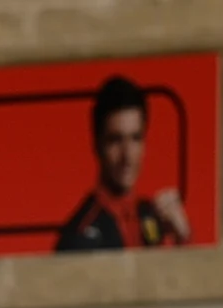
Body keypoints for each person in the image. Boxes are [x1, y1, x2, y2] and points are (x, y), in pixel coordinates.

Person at [52, 74, 189, 252]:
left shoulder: (151, 216)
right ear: (97, 144)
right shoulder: (80, 234)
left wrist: (184, 238)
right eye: (115, 140)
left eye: (135, 138)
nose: (128, 156)